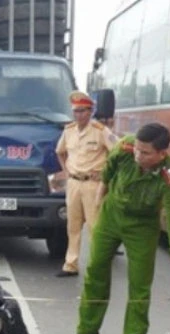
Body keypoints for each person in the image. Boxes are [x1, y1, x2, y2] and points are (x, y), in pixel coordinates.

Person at [66, 123, 170, 334]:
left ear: (161, 154)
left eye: (145, 153)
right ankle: (85, 332)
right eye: (137, 149)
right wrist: (98, 204)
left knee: (140, 284)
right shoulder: (124, 148)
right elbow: (108, 173)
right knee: (96, 271)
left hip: (143, 227)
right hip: (111, 216)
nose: (138, 155)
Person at [54, 91, 118, 277]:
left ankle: (98, 264)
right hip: (74, 182)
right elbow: (60, 152)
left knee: (95, 226)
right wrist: (66, 171)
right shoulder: (69, 131)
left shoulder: (100, 131)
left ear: (90, 111)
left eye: (82, 111)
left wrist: (105, 172)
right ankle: (70, 264)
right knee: (72, 226)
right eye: (75, 111)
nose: (78, 115)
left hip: (93, 184)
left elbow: (117, 152)